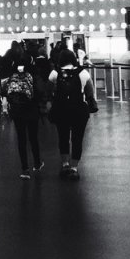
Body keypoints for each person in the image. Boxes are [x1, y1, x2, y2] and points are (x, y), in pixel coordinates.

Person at [49, 49, 96, 180]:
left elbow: (48, 91)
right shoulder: (83, 73)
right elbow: (90, 92)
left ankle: (65, 165)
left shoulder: (55, 73)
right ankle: (74, 168)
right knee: (77, 139)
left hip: (61, 109)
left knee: (63, 137)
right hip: (79, 110)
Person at [4, 54, 43, 180]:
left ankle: (25, 169)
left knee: (21, 139)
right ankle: (37, 163)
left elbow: (5, 91)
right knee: (33, 138)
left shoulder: (13, 76)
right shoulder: (33, 75)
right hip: (32, 111)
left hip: (17, 112)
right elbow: (40, 92)